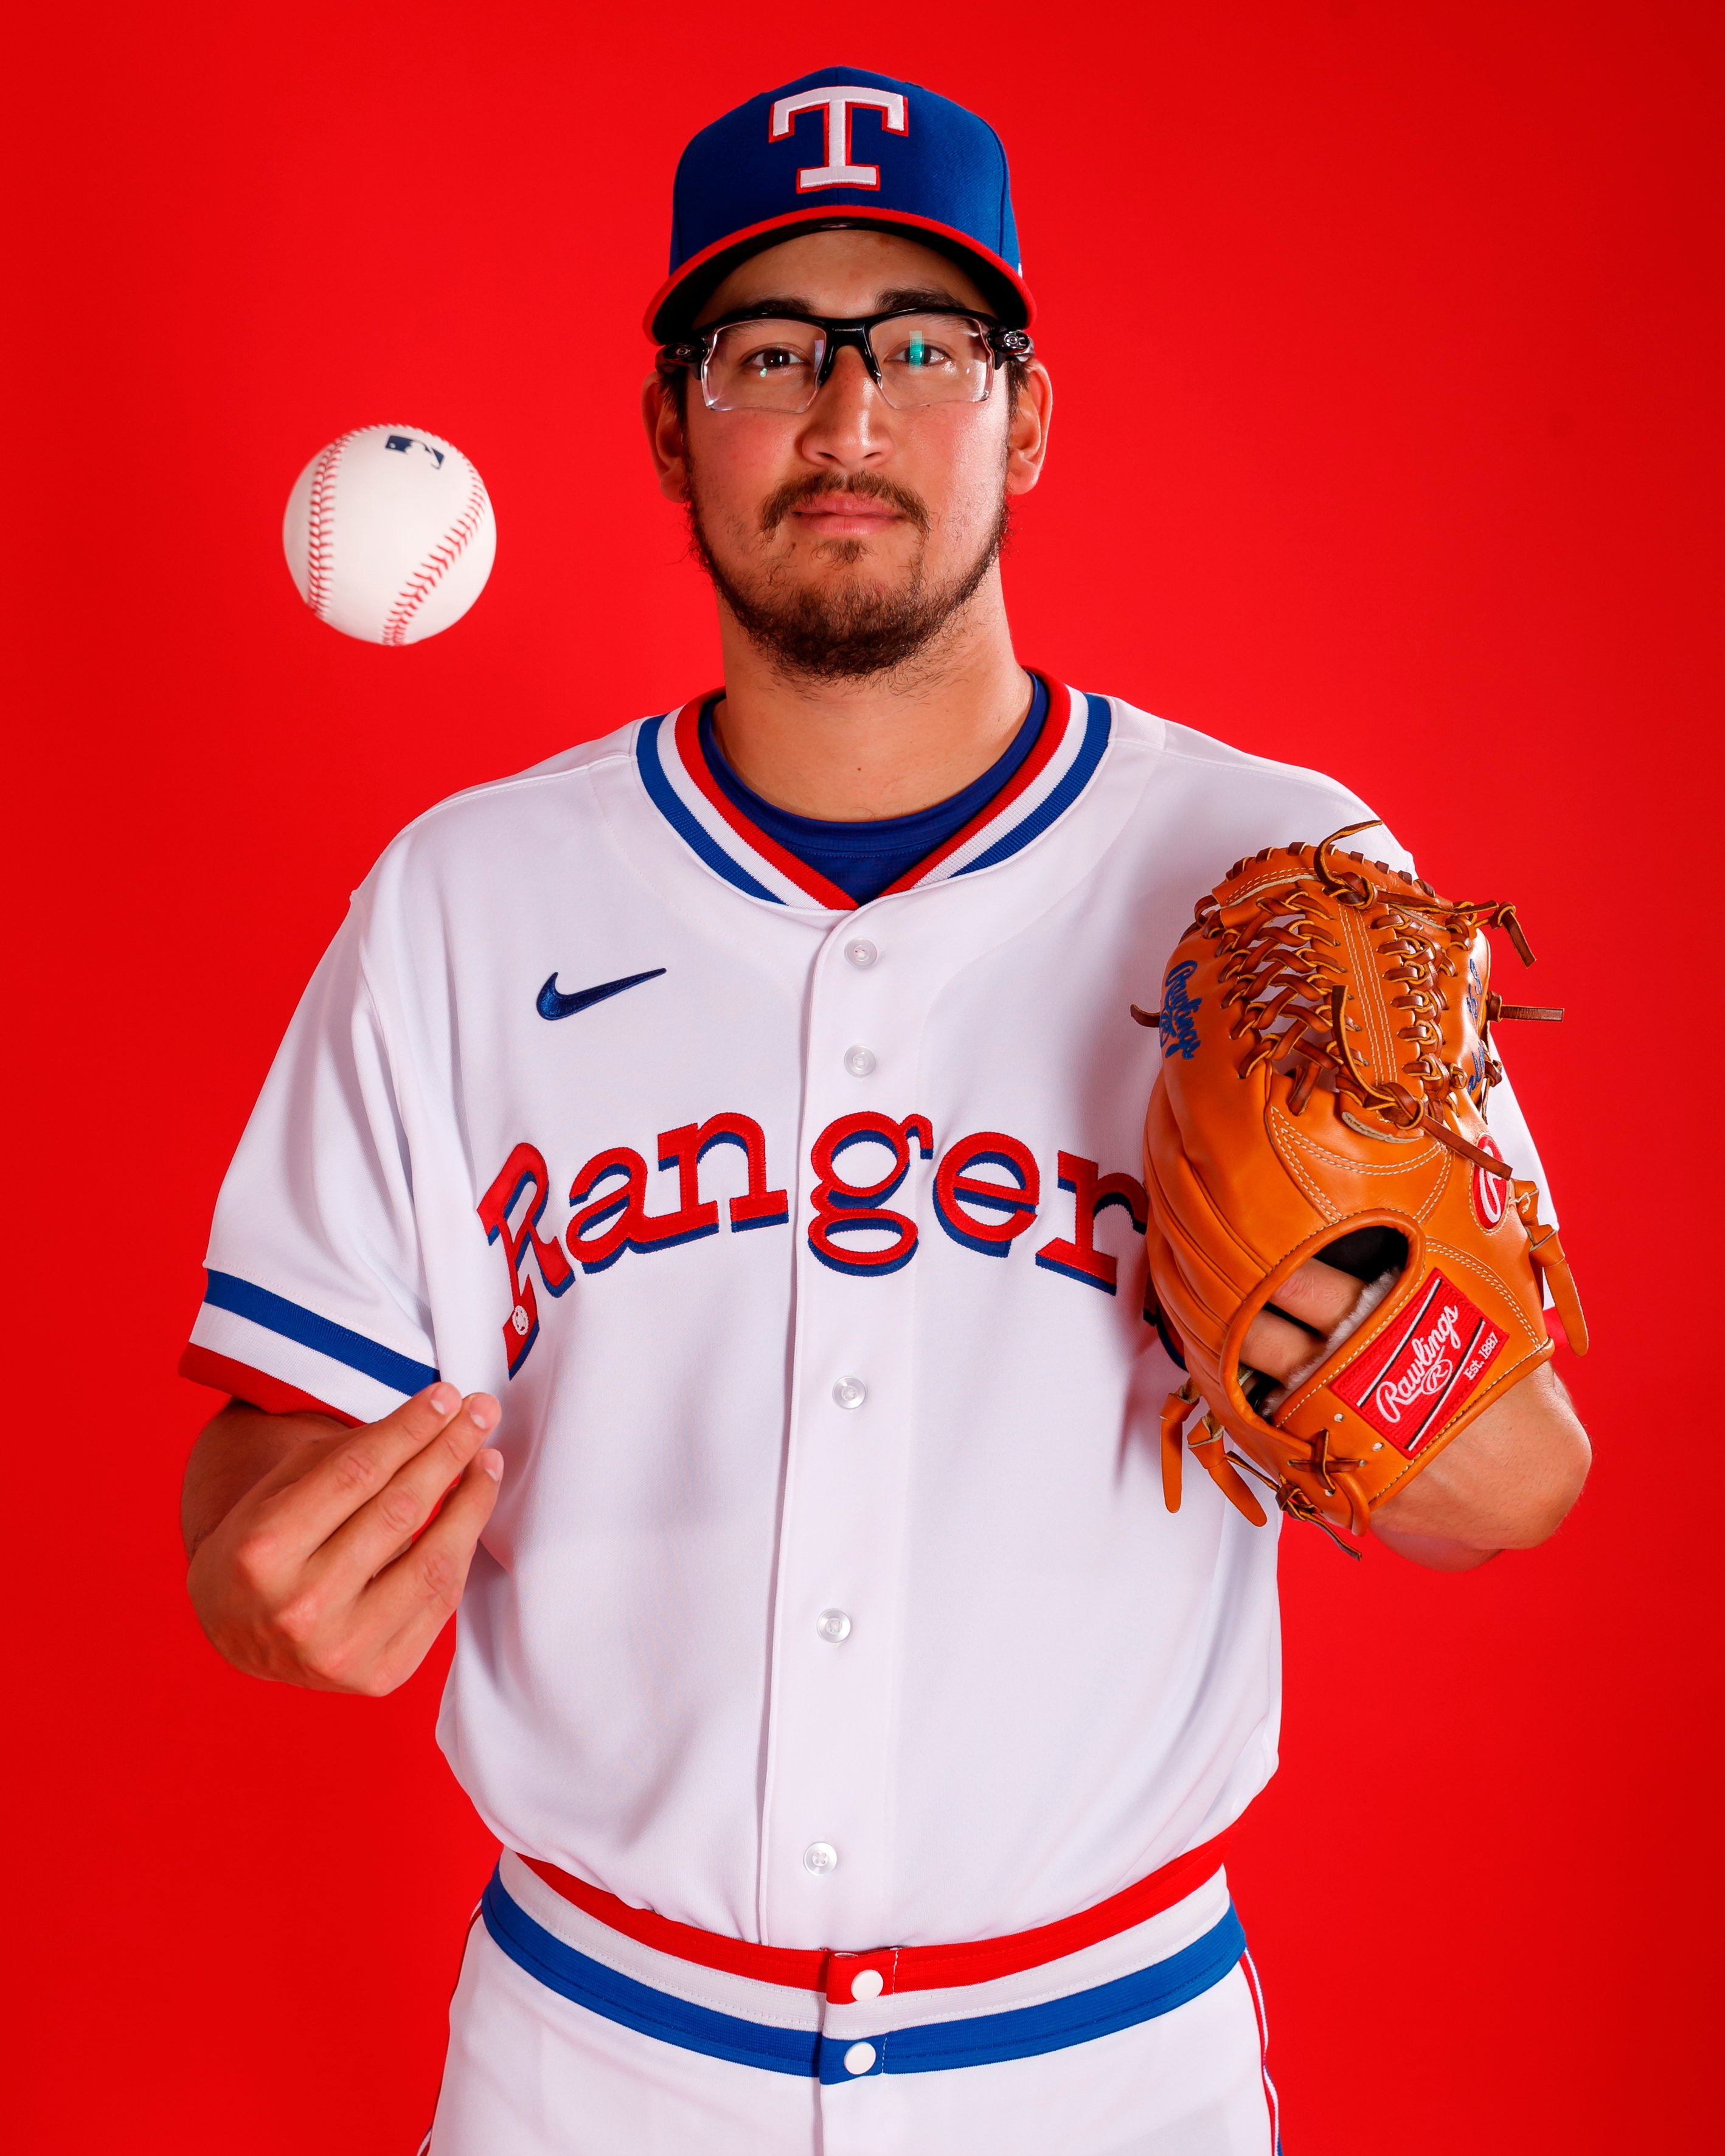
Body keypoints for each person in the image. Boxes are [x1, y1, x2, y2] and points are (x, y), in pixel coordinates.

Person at [179, 67, 1591, 2155]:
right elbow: (253, 1477)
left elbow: (1516, 1479)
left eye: (921, 345)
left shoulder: (1279, 883)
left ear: (1027, 415)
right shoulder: (465, 900)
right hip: (590, 2057)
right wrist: (254, 1582)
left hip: (1107, 2065)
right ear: (671, 424)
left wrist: (1338, 1324)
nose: (849, 419)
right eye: (770, 350)